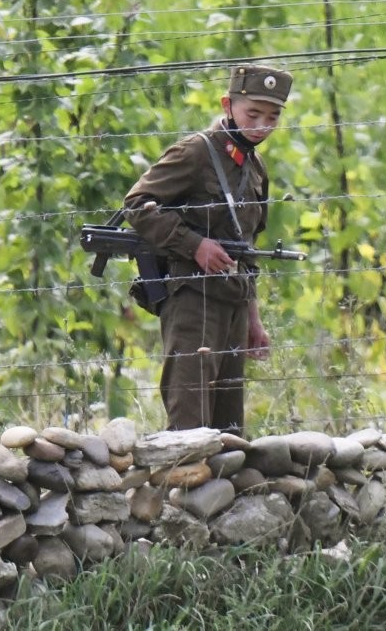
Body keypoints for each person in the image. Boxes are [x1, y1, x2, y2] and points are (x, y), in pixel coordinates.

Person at [123, 64, 293, 436]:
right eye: (253, 114)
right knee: (189, 426)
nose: (262, 125)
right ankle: (179, 491)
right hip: (192, 301)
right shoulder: (197, 152)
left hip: (232, 302)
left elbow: (246, 250)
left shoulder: (255, 167)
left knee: (230, 430)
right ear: (227, 105)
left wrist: (253, 318)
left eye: (273, 117)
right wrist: (195, 245)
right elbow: (137, 204)